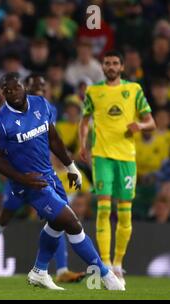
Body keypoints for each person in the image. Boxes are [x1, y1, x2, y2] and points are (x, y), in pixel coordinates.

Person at [0, 72, 124, 290]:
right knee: (72, 223)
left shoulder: (41, 104)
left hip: (50, 176)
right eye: (8, 90)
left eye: (16, 88)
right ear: (3, 94)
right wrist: (22, 178)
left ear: (24, 87)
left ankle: (39, 271)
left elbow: (54, 139)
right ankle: (106, 275)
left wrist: (71, 167)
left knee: (57, 224)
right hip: (31, 185)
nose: (13, 93)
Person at [0, 74, 85, 285]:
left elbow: (49, 140)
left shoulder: (45, 107)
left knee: (60, 217)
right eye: (36, 87)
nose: (39, 91)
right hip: (20, 181)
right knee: (4, 217)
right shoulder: (5, 118)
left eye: (42, 87)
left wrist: (65, 166)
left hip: (43, 176)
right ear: (28, 88)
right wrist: (21, 175)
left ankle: (61, 269)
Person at [79, 50, 156, 287]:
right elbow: (84, 121)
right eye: (107, 63)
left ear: (121, 67)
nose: (110, 66)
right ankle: (105, 267)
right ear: (102, 67)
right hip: (102, 156)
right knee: (103, 209)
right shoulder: (93, 91)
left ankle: (118, 265)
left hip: (126, 158)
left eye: (115, 63)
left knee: (124, 213)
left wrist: (140, 125)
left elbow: (151, 122)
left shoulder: (134, 90)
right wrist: (83, 145)